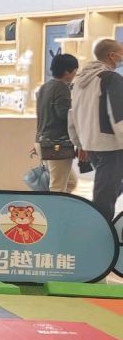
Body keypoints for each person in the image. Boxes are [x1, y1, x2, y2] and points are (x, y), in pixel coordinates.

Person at [69, 39, 123, 221]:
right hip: (112, 145)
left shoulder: (79, 80)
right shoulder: (112, 79)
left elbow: (72, 113)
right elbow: (118, 115)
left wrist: (79, 143)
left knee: (108, 187)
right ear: (112, 56)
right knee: (105, 195)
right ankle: (98, 229)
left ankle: (96, 222)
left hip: (90, 143)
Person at [36, 52, 79, 193]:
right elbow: (65, 116)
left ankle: (59, 205)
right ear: (67, 72)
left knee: (69, 182)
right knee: (57, 187)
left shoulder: (45, 87)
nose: (75, 75)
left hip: (44, 141)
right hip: (57, 144)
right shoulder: (62, 88)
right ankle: (53, 207)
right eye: (75, 71)